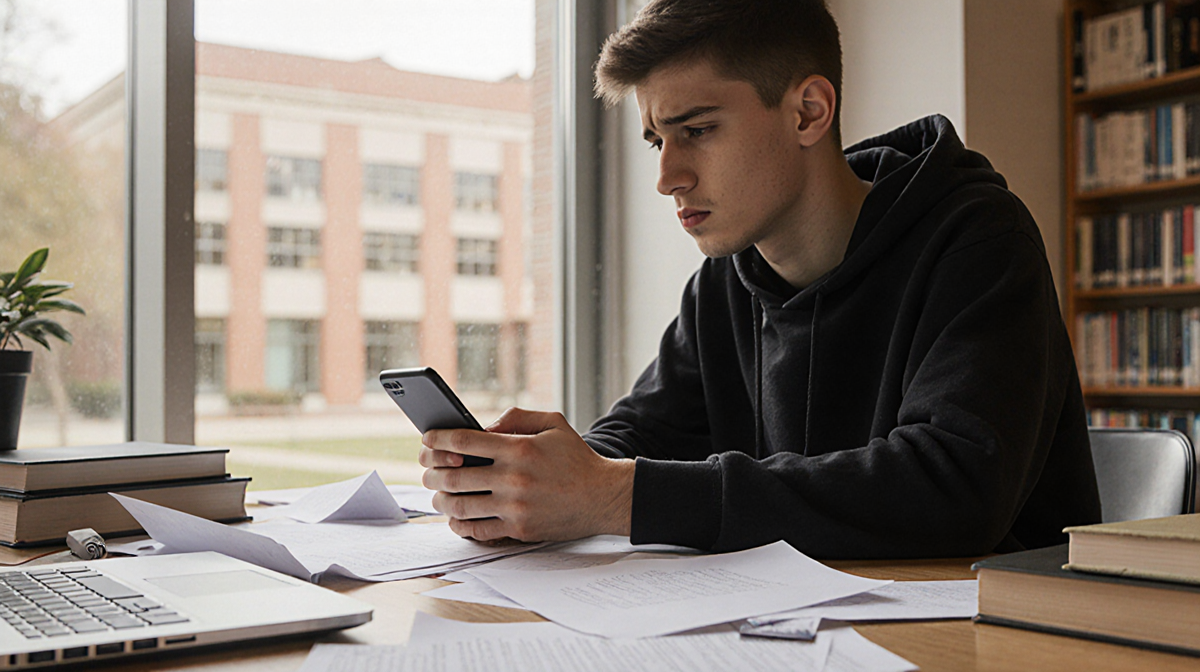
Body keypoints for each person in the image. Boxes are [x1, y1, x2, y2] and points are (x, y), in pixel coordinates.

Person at [420, 0, 1101, 558]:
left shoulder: (977, 239)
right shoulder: (726, 279)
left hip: (983, 639)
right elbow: (646, 433)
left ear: (809, 111)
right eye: (659, 141)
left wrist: (613, 494)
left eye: (699, 130)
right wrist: (541, 479)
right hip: (802, 632)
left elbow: (954, 486)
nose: (667, 178)